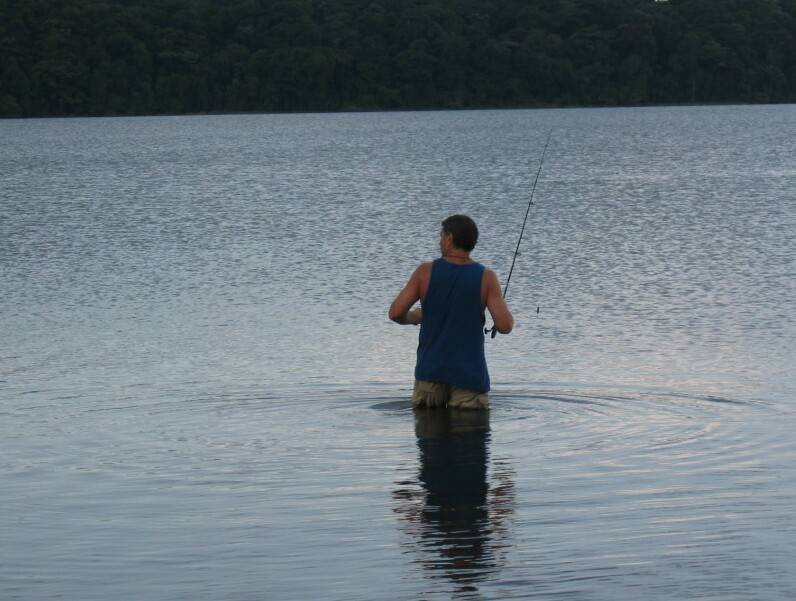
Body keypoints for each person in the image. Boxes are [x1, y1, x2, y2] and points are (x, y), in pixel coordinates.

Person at [388, 214, 513, 410]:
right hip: (469, 376)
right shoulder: (487, 278)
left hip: (430, 373)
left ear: (449, 238)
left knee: (430, 436)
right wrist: (496, 318)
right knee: (469, 437)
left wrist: (415, 316)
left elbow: (395, 313)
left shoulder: (425, 272)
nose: (439, 241)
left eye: (441, 236)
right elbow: (505, 326)